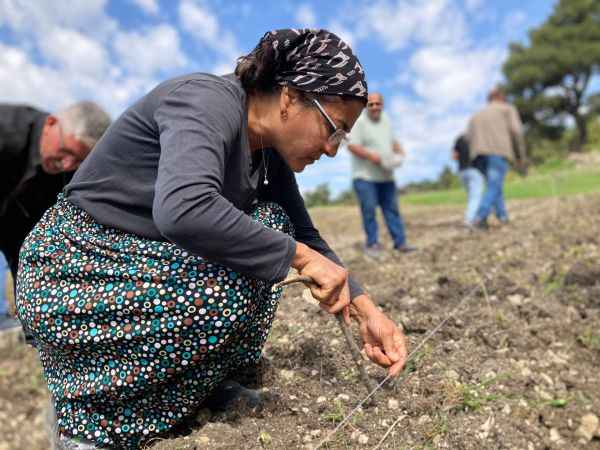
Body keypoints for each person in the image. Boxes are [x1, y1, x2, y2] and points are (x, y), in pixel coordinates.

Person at [16, 29, 408, 450]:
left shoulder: (268, 153)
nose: (332, 149)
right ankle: (87, 421)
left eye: (342, 138)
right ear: (291, 97)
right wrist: (299, 256)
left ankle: (198, 388)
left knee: (272, 228)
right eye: (334, 129)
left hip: (136, 260)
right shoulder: (205, 101)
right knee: (267, 244)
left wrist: (367, 310)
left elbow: (304, 234)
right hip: (74, 269)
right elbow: (184, 208)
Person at [0, 101, 111, 279]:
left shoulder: (73, 179)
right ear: (51, 123)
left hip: (19, 235)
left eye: (78, 160)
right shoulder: (6, 128)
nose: (66, 165)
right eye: (65, 151)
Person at [347, 92, 415, 257]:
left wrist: (399, 152)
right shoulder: (360, 122)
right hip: (365, 177)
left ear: (382, 105)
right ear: (366, 106)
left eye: (378, 104)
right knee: (369, 211)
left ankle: (400, 243)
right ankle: (373, 244)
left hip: (386, 177)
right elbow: (352, 146)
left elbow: (393, 142)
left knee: (392, 210)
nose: (375, 107)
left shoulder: (386, 121)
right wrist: (374, 157)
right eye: (371, 104)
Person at [467, 87, 527, 228]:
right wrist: (521, 157)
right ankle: (479, 217)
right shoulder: (507, 109)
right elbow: (517, 132)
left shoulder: (476, 115)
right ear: (501, 97)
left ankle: (502, 216)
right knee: (494, 186)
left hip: (477, 156)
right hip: (497, 152)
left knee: (494, 186)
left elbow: (467, 138)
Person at [452, 134, 485, 226]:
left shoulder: (459, 139)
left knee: (471, 197)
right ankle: (470, 220)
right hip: (474, 171)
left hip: (462, 172)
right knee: (475, 198)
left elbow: (454, 156)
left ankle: (473, 218)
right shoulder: (477, 138)